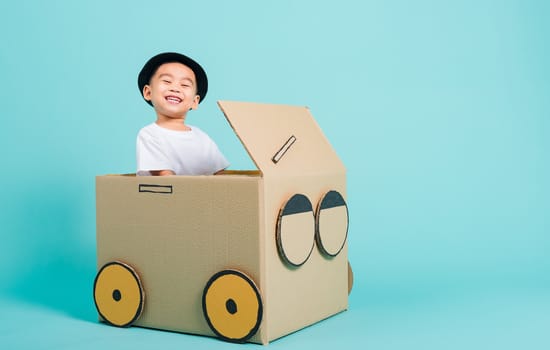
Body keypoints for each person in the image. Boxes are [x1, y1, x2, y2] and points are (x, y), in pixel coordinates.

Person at [136, 52, 229, 176]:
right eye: (167, 81)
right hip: (170, 195)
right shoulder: (150, 135)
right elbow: (166, 180)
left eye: (185, 84)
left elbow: (221, 176)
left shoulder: (202, 137)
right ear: (148, 92)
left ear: (195, 102)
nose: (175, 88)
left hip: (199, 194)